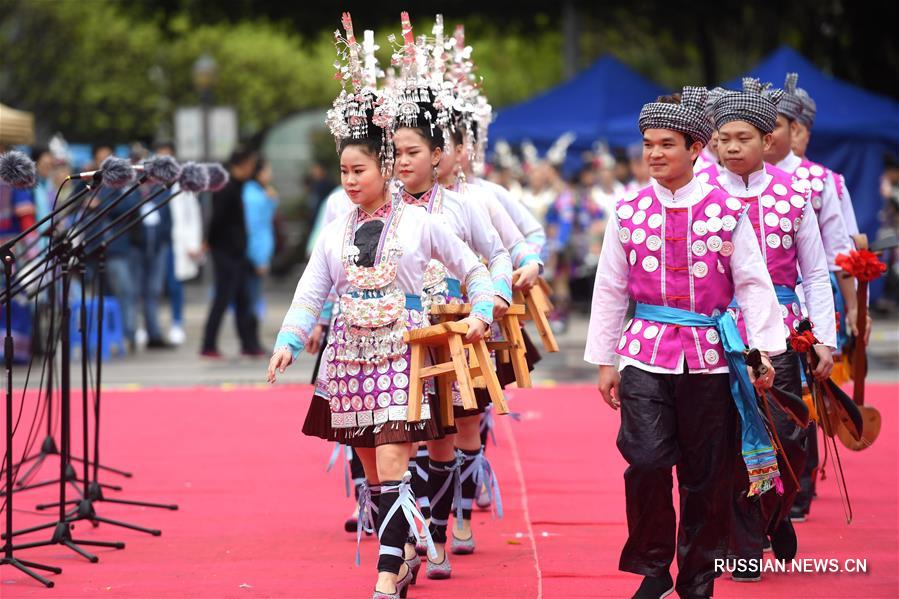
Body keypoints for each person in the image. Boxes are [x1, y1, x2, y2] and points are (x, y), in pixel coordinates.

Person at [268, 14, 494, 597]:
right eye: (342, 171)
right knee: (374, 475)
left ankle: (387, 574)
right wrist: (289, 341)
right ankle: (409, 546)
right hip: (348, 356)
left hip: (404, 351)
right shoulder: (333, 230)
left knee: (394, 466)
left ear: (386, 168)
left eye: (358, 170)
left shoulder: (422, 223)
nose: (348, 181)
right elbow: (312, 288)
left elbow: (476, 269)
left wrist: (481, 314)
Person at [585, 87, 786, 599]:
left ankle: (697, 576)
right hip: (643, 353)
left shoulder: (726, 211)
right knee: (647, 460)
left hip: (712, 359)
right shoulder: (627, 211)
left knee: (705, 475)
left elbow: (753, 282)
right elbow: (609, 286)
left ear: (696, 148)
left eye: (666, 144)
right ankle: (654, 566)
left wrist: (763, 348)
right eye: (648, 144)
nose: (653, 153)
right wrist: (605, 359)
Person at [711, 78, 836, 581]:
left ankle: (776, 512)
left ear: (768, 141)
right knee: (731, 440)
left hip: (781, 335)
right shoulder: (702, 195)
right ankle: (744, 541)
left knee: (790, 434)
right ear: (713, 142)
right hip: (721, 335)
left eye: (744, 138)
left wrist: (825, 338)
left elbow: (817, 270)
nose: (733, 147)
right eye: (724, 139)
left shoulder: (793, 195)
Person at [200, 145, 263, 358]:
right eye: (251, 165)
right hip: (225, 252)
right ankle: (208, 345)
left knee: (242, 299)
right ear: (243, 164)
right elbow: (216, 219)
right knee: (223, 299)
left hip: (236, 252)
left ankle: (249, 344)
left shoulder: (237, 185)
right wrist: (208, 241)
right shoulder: (226, 186)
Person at [157, 142, 203, 346]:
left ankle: (177, 323)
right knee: (152, 287)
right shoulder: (148, 184)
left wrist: (193, 243)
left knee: (175, 286)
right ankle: (151, 326)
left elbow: (192, 216)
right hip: (153, 243)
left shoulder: (182, 184)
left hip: (175, 243)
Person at [243, 157, 278, 321]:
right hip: (255, 254)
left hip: (256, 252)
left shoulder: (257, 193)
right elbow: (255, 228)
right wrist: (259, 259)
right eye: (267, 170)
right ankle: (251, 341)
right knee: (252, 299)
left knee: (253, 298)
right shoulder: (254, 197)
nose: (270, 174)